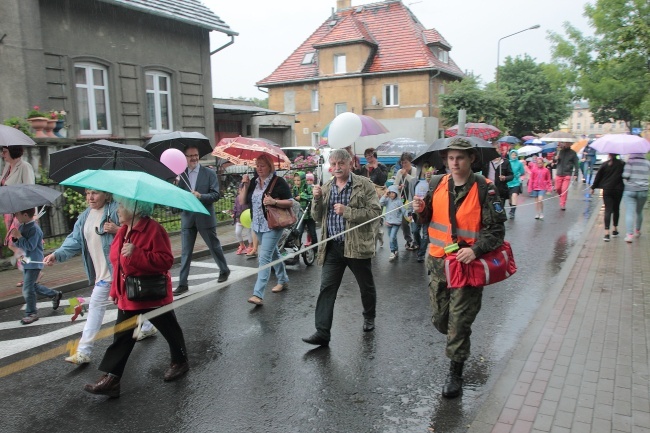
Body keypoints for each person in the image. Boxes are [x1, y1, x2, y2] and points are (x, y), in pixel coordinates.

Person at [411, 136, 506, 399]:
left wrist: (474, 250)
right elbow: (426, 219)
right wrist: (420, 209)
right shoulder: (437, 183)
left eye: (460, 157)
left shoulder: (486, 189)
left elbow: (497, 231)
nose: (455, 162)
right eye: (451, 158)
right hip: (439, 262)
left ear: (472, 159)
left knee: (458, 324)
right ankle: (458, 333)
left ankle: (455, 373)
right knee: (442, 320)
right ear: (445, 160)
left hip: (467, 266)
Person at [84, 196, 189, 398]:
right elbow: (117, 264)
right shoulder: (122, 231)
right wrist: (115, 291)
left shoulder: (154, 230)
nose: (118, 210)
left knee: (170, 329)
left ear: (135, 209)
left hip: (151, 294)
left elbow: (165, 261)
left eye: (122, 205)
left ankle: (180, 361)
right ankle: (112, 379)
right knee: (123, 336)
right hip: (130, 295)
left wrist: (137, 252)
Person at [44, 190, 157, 364]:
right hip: (102, 275)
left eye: (95, 193)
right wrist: (57, 254)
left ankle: (84, 351)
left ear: (106, 195)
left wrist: (116, 230)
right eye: (87, 193)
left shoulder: (116, 210)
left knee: (119, 306)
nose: (90, 197)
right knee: (123, 305)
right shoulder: (84, 217)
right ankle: (148, 326)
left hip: (120, 272)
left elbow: (135, 231)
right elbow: (75, 240)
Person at [302, 149, 382, 346]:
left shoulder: (364, 185)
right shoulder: (327, 186)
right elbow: (317, 216)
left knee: (366, 286)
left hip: (356, 245)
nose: (337, 168)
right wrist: (317, 198)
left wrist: (348, 211)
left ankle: (369, 315)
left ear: (350, 164)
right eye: (334, 164)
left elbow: (375, 212)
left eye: (341, 164)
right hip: (333, 247)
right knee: (327, 288)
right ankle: (322, 332)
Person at [173, 145, 230, 296]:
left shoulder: (209, 173)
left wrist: (200, 196)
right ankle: (182, 283)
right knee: (185, 252)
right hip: (188, 218)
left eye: (196, 155)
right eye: (190, 155)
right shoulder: (181, 175)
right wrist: (175, 188)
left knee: (214, 246)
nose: (194, 158)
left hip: (204, 216)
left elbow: (216, 195)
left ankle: (224, 270)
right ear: (184, 157)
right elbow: (179, 198)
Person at [238, 153, 292, 305]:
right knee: (273, 253)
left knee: (264, 257)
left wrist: (274, 201)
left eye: (262, 165)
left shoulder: (278, 181)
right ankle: (283, 279)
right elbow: (242, 201)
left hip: (273, 225)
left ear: (270, 166)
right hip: (258, 225)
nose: (259, 168)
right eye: (257, 165)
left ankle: (258, 294)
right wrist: (245, 185)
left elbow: (290, 202)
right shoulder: (254, 182)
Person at [9, 208, 62, 325]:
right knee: (32, 286)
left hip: (34, 262)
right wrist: (15, 238)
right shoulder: (22, 226)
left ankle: (31, 313)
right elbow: (21, 245)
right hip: (26, 261)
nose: (15, 216)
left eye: (16, 213)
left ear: (25, 214)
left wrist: (20, 237)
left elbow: (30, 246)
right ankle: (54, 294)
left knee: (27, 289)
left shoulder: (34, 229)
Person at [2, 145, 36, 287]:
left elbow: (29, 188)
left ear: (12, 152)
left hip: (22, 211)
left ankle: (31, 271)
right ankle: (30, 272)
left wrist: (29, 213)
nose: (2, 154)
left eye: (4, 152)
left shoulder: (24, 166)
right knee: (14, 244)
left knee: (14, 242)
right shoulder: (7, 167)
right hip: (9, 209)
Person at [591, 154, 625, 242]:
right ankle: (615, 229)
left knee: (608, 210)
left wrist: (593, 187)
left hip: (607, 189)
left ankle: (606, 233)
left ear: (609, 154)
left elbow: (598, 176)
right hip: (618, 189)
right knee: (616, 209)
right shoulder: (622, 164)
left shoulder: (605, 164)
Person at [622, 153, 650, 243]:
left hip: (630, 190)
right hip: (643, 190)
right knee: (639, 211)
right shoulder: (647, 163)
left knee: (630, 213)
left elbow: (625, 175)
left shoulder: (630, 162)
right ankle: (637, 231)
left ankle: (629, 235)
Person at [394, 152, 417, 250]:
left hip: (413, 200)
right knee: (404, 222)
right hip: (403, 199)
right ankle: (408, 240)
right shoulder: (399, 172)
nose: (404, 165)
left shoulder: (415, 170)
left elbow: (414, 182)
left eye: (406, 163)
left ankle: (416, 241)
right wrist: (398, 187)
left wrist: (406, 175)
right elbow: (394, 185)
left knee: (413, 222)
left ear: (410, 162)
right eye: (402, 163)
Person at [379, 185, 405, 262]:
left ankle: (392, 251)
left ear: (396, 193)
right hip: (388, 222)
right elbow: (380, 203)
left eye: (393, 193)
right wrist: (385, 195)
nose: (392, 195)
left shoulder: (399, 201)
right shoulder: (387, 200)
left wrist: (409, 215)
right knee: (392, 237)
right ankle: (396, 249)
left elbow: (403, 210)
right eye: (390, 193)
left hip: (396, 223)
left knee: (391, 238)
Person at [295, 172, 318, 251]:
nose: (297, 182)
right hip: (300, 215)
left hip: (309, 214)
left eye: (298, 180)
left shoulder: (308, 187)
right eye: (295, 180)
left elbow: (312, 197)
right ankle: (297, 253)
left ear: (303, 180)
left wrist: (301, 196)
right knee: (298, 233)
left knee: (312, 233)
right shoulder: (295, 189)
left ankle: (315, 250)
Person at [552, 142, 580, 210]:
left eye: (568, 143)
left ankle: (562, 204)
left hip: (567, 174)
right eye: (565, 143)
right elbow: (554, 161)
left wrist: (576, 174)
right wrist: (555, 158)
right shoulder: (559, 151)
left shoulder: (572, 153)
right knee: (558, 188)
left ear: (570, 144)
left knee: (564, 190)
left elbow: (576, 164)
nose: (566, 144)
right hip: (559, 173)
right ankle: (562, 197)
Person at [233, 182, 252, 255]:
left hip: (247, 219)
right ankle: (242, 245)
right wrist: (234, 214)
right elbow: (235, 207)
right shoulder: (237, 198)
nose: (241, 191)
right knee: (237, 232)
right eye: (240, 190)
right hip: (239, 219)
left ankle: (250, 246)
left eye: (243, 190)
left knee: (249, 233)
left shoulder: (248, 197)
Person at [506, 150, 525, 219]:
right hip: (508, 182)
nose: (514, 156)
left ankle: (513, 212)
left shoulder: (519, 163)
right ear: (510, 155)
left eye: (515, 155)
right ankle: (512, 209)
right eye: (512, 155)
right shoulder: (507, 162)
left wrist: (518, 174)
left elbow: (522, 172)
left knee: (514, 195)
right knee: (510, 198)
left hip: (516, 182)